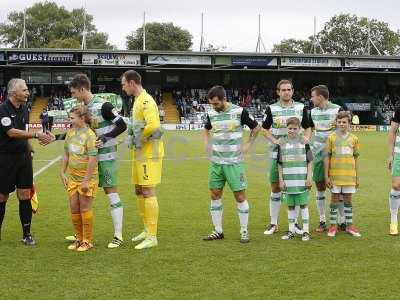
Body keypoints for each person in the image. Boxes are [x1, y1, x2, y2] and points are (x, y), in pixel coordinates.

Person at [61, 74, 127, 248]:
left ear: (83, 89)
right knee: (83, 198)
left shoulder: (104, 105)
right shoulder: (82, 109)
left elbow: (122, 125)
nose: (73, 96)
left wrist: (105, 138)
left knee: (111, 192)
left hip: (105, 157)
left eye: (74, 92)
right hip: (87, 159)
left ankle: (118, 235)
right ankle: (81, 235)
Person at [202, 85, 259, 243]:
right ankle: (218, 231)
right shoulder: (211, 113)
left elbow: (256, 128)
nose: (214, 107)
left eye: (216, 104)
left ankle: (244, 230)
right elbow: (206, 129)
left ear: (224, 99)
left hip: (234, 162)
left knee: (240, 196)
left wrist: (248, 144)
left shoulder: (239, 112)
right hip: (216, 163)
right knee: (214, 195)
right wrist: (207, 145)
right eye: (212, 104)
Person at [0, 78, 53, 245]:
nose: (27, 92)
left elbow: (22, 131)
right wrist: (36, 135)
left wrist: (29, 146)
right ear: (13, 92)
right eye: (24, 90)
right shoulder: (2, 109)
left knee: (25, 195)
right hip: (5, 159)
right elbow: (11, 132)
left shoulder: (24, 109)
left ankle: (27, 234)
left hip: (23, 158)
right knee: (2, 197)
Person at [261, 79, 311, 235]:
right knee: (276, 187)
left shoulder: (301, 107)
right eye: (283, 90)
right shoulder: (271, 108)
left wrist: (307, 139)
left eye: (289, 89)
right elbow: (264, 129)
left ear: (293, 91)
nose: (286, 92)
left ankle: (294, 224)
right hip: (277, 155)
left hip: (297, 156)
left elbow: (309, 127)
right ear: (278, 92)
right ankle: (273, 223)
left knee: (295, 187)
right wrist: (275, 140)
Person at [121, 70, 164, 250]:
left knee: (148, 191)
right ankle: (147, 229)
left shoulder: (146, 100)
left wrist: (139, 138)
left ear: (132, 83)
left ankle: (152, 236)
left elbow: (154, 126)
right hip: (140, 153)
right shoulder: (137, 100)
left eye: (124, 84)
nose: (123, 88)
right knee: (139, 190)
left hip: (149, 153)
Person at [61, 105, 98, 252]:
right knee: (74, 208)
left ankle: (87, 241)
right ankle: (79, 238)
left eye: (72, 118)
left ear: (82, 118)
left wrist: (86, 181)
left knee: (84, 208)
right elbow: (65, 154)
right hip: (72, 178)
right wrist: (62, 172)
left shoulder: (90, 135)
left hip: (86, 179)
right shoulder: (70, 133)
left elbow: (92, 158)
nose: (69, 121)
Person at [309, 85, 344, 232]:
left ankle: (342, 221)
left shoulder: (338, 110)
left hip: (335, 156)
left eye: (312, 96)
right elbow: (309, 131)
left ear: (320, 97)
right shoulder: (311, 112)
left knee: (338, 189)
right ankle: (322, 220)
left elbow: (343, 131)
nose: (311, 99)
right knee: (320, 187)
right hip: (317, 155)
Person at [325, 111, 361, 237]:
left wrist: (357, 176)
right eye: (339, 122)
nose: (341, 124)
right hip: (335, 175)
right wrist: (327, 176)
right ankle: (333, 226)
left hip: (349, 175)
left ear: (349, 123)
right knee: (334, 199)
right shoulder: (331, 138)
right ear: (336, 123)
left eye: (344, 122)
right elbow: (327, 158)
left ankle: (349, 225)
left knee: (348, 200)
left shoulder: (354, 139)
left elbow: (356, 158)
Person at [277, 117, 313, 241]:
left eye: (295, 128)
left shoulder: (305, 142)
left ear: (300, 129)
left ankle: (306, 231)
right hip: (288, 181)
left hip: (301, 180)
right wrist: (281, 180)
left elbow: (310, 161)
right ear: (286, 128)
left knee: (303, 205)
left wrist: (309, 177)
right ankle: (291, 231)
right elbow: (279, 163)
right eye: (290, 128)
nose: (292, 130)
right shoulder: (281, 143)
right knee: (290, 206)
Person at [387, 107, 400, 235]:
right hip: (399, 153)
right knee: (396, 186)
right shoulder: (399, 109)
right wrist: (390, 155)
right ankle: (394, 220)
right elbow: (392, 132)